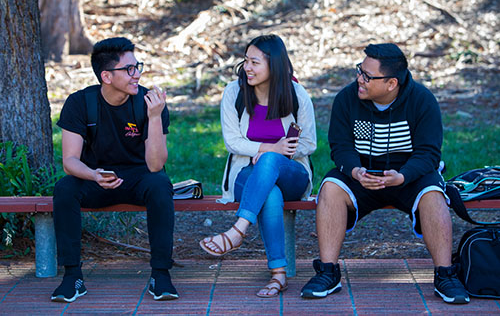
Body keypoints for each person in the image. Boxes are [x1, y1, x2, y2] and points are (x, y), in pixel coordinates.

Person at [301, 43, 470, 304]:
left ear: (391, 83)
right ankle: (327, 272)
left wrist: (402, 176)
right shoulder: (347, 99)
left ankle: (445, 275)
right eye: (360, 70)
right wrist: (355, 171)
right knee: (331, 186)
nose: (360, 78)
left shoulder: (422, 101)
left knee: (434, 195)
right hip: (362, 174)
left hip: (408, 176)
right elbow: (340, 146)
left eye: (368, 76)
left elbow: (428, 154)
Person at [51, 37, 178, 302]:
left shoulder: (149, 102)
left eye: (138, 67)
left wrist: (154, 117)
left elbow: (155, 165)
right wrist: (94, 174)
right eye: (129, 69)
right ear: (106, 76)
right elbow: (70, 161)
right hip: (97, 177)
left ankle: (161, 275)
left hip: (138, 178)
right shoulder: (80, 103)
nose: (138, 74)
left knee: (160, 184)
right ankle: (72, 276)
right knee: (65, 189)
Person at [199, 34, 316, 298]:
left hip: (292, 174)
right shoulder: (234, 92)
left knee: (271, 162)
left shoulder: (296, 93)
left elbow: (310, 143)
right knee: (269, 192)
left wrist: (277, 153)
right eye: (246, 61)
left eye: (254, 62)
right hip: (246, 175)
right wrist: (266, 148)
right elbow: (232, 141)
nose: (247, 68)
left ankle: (237, 230)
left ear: (273, 65)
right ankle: (279, 274)